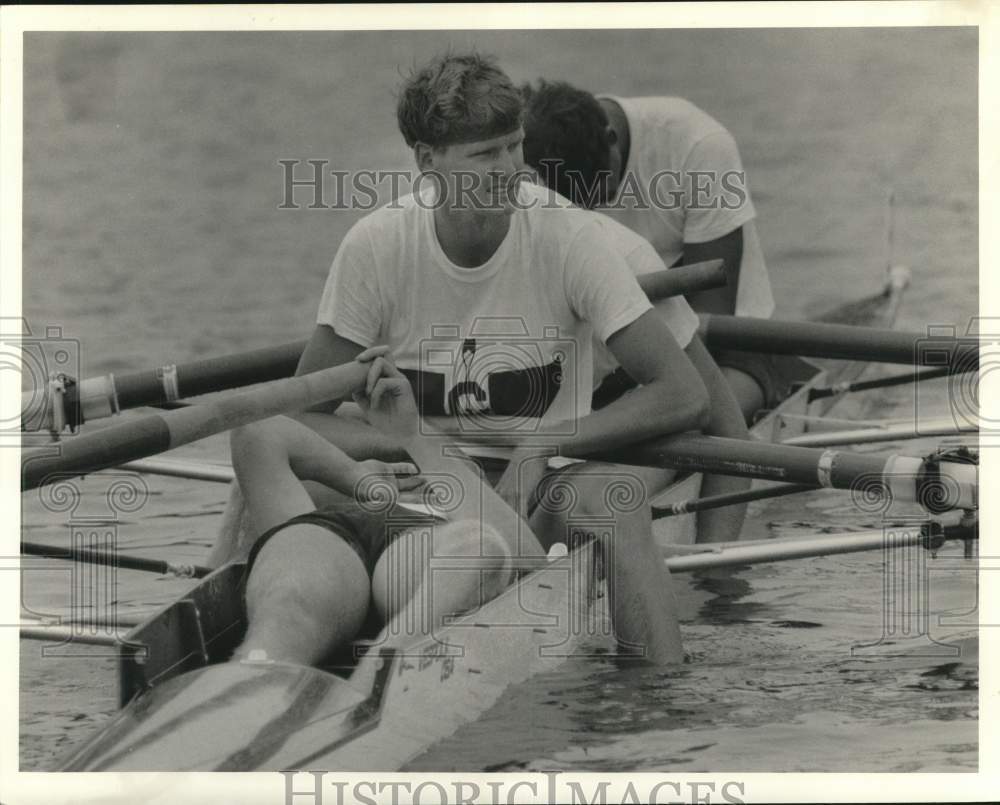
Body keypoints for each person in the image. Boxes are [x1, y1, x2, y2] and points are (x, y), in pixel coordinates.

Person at [229, 348, 683, 666]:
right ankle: (258, 678)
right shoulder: (352, 482)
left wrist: (414, 436)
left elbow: (525, 560)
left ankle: (384, 666)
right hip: (325, 540)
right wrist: (360, 480)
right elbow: (257, 433)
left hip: (417, 556)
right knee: (288, 610)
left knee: (479, 544)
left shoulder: (449, 480)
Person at [520, 79, 781, 420]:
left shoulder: (699, 145)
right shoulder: (545, 153)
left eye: (598, 190)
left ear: (611, 140)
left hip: (723, 340)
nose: (593, 207)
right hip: (613, 337)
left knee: (694, 414)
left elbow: (709, 312)